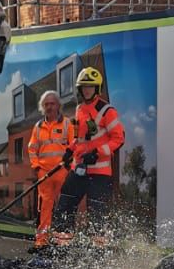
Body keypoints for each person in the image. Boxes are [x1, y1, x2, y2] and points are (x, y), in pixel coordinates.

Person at [51, 67, 125, 245]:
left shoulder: (107, 111)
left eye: (90, 87)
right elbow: (80, 138)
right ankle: (62, 246)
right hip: (79, 168)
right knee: (65, 204)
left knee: (97, 213)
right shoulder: (80, 109)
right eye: (83, 87)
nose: (86, 90)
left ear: (97, 89)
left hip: (100, 173)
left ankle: (99, 252)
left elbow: (119, 138)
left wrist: (98, 153)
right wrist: (70, 150)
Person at [25, 89, 74, 248]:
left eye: (52, 103)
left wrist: (69, 167)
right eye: (46, 104)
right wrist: (37, 167)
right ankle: (42, 242)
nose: (49, 107)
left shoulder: (67, 123)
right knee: (45, 208)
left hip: (62, 173)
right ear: (42, 107)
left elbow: (74, 147)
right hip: (44, 175)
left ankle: (62, 242)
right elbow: (32, 149)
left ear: (58, 105)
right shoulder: (38, 127)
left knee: (63, 207)